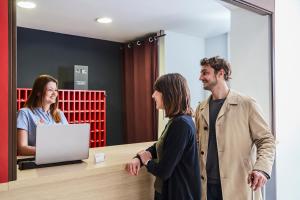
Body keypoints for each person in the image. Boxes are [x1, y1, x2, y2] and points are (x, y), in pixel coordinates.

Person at [195, 56, 276, 200]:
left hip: (238, 185)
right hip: (207, 188)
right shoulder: (201, 108)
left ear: (220, 73)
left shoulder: (247, 104)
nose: (200, 77)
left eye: (205, 73)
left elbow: (266, 140)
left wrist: (261, 169)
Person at [125, 73, 201, 200]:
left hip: (178, 194)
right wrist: (139, 158)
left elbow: (164, 171)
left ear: (169, 94)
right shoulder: (178, 120)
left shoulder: (181, 124)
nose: (153, 95)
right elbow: (160, 146)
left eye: (157, 91)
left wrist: (147, 161)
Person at [17, 74, 68, 156]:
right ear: (38, 92)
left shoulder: (59, 113)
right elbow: (21, 148)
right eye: (50, 90)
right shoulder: (24, 113)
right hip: (37, 162)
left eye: (56, 90)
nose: (54, 93)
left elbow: (68, 140)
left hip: (60, 158)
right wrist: (49, 151)